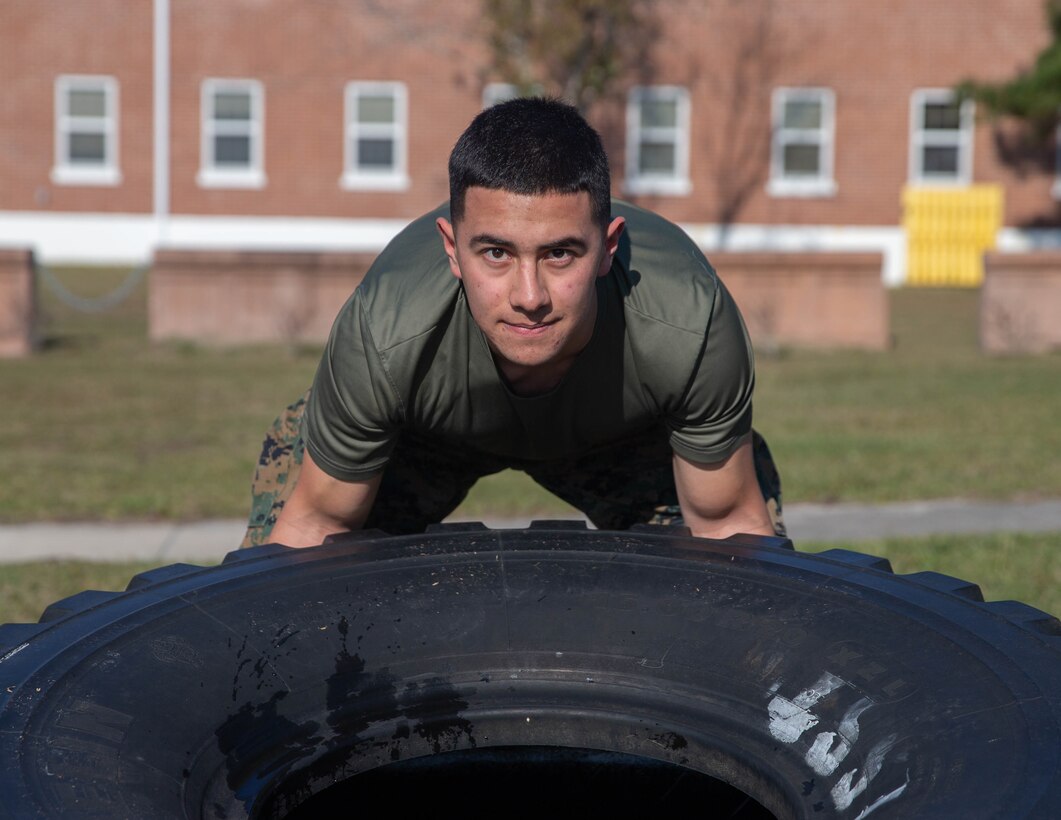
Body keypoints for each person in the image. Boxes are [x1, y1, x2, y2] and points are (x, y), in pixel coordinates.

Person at [243, 97, 783, 549]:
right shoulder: (385, 332)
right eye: (496, 253)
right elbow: (317, 526)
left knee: (740, 579)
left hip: (624, 438)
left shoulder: (688, 323)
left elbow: (726, 523)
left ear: (607, 249)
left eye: (560, 254)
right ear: (452, 251)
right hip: (420, 438)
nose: (529, 298)